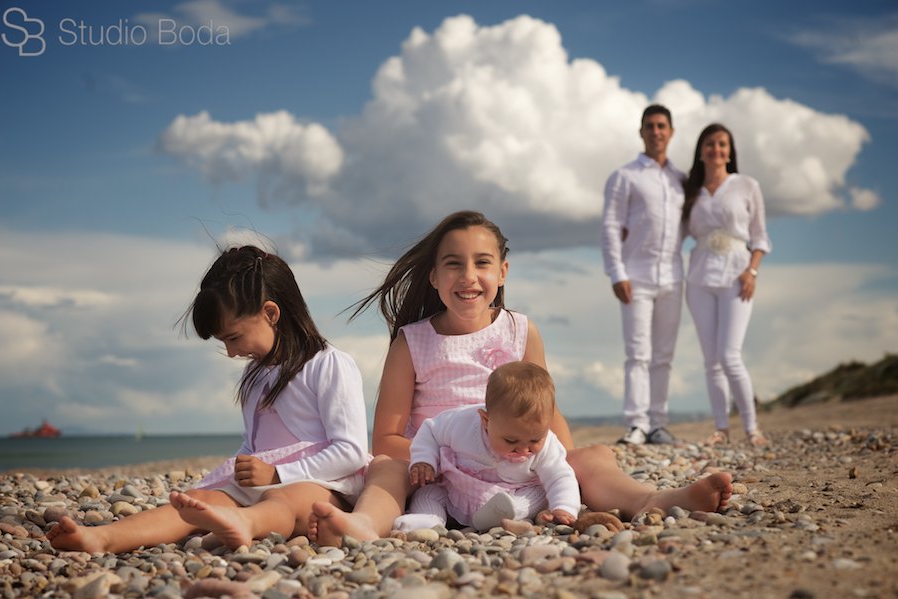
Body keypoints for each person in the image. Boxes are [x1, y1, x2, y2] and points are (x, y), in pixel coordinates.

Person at [307, 211, 732, 546]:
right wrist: (441, 460)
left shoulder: (520, 330)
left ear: (503, 272)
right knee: (385, 467)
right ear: (434, 277)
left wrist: (562, 459)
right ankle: (363, 524)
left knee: (594, 457)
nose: (468, 276)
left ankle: (652, 500)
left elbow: (545, 409)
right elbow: (386, 437)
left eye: (482, 263)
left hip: (517, 466)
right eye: (453, 264)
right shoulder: (412, 341)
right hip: (438, 472)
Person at [47, 246, 370, 553]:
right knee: (197, 503)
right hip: (266, 483)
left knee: (284, 501)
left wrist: (277, 476)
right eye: (223, 342)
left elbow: (351, 451)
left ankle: (244, 522)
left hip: (325, 488)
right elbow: (253, 446)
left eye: (234, 337)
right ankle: (102, 537)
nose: (230, 352)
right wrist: (232, 478)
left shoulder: (328, 364)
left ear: (271, 313)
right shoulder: (255, 375)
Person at [394, 361, 580, 532]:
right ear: (485, 420)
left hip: (512, 494)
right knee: (428, 494)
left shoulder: (548, 444)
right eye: (511, 441)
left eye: (535, 440)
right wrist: (424, 460)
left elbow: (560, 476)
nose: (524, 450)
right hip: (456, 491)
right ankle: (429, 521)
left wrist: (564, 507)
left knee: (536, 494)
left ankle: (508, 512)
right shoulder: (462, 423)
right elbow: (431, 431)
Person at [682, 124, 771, 446]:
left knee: (729, 355)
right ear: (701, 151)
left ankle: (752, 428)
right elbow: (672, 231)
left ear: (730, 151)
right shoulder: (691, 191)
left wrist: (752, 271)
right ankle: (722, 429)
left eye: (722, 144)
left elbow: (760, 236)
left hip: (737, 275)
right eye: (710, 144)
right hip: (699, 277)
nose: (716, 149)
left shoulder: (747, 185)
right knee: (711, 360)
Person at [602, 104, 686, 446]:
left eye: (662, 126)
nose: (656, 132)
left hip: (673, 277)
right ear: (641, 131)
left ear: (671, 132)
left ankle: (657, 424)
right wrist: (616, 272)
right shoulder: (625, 176)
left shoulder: (681, 180)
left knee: (663, 355)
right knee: (638, 353)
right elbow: (610, 226)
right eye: (650, 126)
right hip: (635, 276)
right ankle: (637, 424)